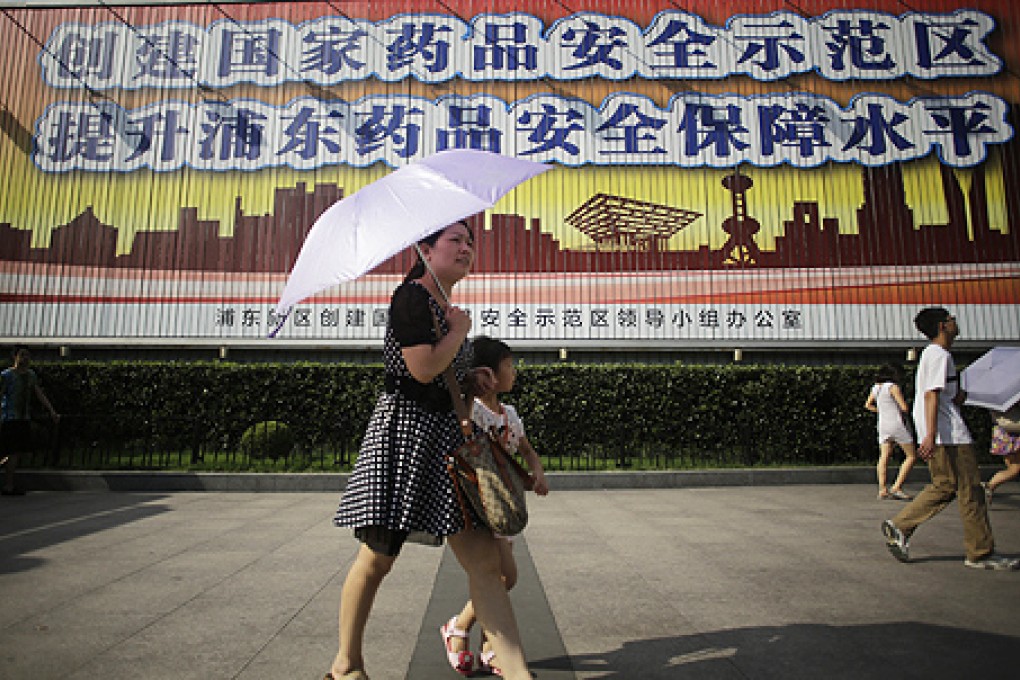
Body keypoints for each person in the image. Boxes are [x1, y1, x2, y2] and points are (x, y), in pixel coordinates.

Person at [326, 221, 533, 680]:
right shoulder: (412, 298)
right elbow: (421, 369)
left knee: (484, 561)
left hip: (447, 442)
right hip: (403, 438)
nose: (466, 248)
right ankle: (346, 663)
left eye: (470, 242)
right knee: (377, 557)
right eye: (454, 240)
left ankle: (518, 673)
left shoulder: (445, 306)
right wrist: (458, 332)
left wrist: (469, 381)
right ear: (425, 249)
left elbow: (442, 377)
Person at [442, 335, 549, 676]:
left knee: (500, 577)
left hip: (502, 507)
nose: (513, 372)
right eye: (508, 366)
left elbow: (527, 450)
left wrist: (536, 473)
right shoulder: (471, 412)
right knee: (505, 576)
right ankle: (459, 627)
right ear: (488, 372)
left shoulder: (510, 414)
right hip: (479, 506)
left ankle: (488, 647)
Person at [881, 308, 1019, 570]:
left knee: (945, 485)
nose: (955, 322)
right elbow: (931, 395)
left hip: (943, 433)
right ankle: (980, 552)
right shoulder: (939, 355)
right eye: (951, 319)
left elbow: (947, 395)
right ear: (942, 326)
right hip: (950, 436)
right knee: (971, 491)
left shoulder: (934, 355)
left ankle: (900, 525)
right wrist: (930, 435)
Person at [1, 347, 59, 496]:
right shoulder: (6, 375)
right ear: (15, 357)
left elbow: (38, 393)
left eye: (27, 355)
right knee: (13, 451)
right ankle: (8, 486)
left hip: (23, 417)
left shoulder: (30, 375)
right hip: (9, 417)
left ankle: (8, 480)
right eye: (22, 355)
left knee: (18, 452)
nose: (25, 358)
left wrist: (51, 410)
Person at [864, 364, 917, 500]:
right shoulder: (893, 387)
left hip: (883, 425)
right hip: (896, 424)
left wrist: (881, 411)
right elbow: (904, 407)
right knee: (911, 456)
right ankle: (896, 487)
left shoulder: (876, 388)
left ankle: (882, 489)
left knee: (884, 456)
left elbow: (868, 405)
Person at [982, 405, 1020, 503]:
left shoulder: (995, 399)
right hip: (1013, 430)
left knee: (1012, 467)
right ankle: (989, 486)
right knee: (1015, 468)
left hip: (1002, 429)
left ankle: (989, 486)